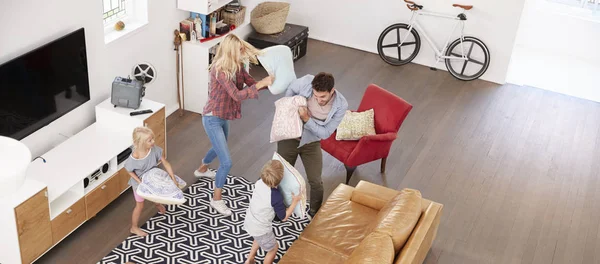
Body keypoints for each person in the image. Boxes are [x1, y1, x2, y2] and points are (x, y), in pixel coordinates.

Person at [193, 34, 274, 216]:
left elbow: (251, 83)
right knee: (226, 162)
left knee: (219, 146)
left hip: (224, 115)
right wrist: (261, 84)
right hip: (212, 117)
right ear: (231, 51)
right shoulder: (219, 70)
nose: (243, 52)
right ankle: (216, 199)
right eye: (240, 49)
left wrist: (270, 84)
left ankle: (202, 169)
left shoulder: (237, 66)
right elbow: (237, 95)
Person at [277, 72, 348, 217]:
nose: (319, 100)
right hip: (289, 137)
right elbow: (291, 88)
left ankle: (314, 212)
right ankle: (275, 205)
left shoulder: (341, 105)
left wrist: (306, 119)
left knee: (316, 181)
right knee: (279, 174)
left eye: (323, 97)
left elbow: (325, 133)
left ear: (332, 91)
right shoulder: (306, 82)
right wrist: (290, 106)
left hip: (311, 142)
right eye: (316, 96)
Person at [243, 160, 302, 264]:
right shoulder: (275, 196)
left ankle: (249, 259)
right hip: (262, 228)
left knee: (257, 238)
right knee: (273, 249)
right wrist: (295, 202)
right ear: (280, 179)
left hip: (250, 220)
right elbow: (283, 217)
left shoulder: (259, 181)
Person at [124, 127, 178, 237]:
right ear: (141, 143)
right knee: (140, 205)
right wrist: (139, 181)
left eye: (152, 139)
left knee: (156, 193)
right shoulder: (135, 157)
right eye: (150, 140)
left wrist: (173, 177)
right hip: (140, 184)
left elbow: (165, 163)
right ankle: (134, 227)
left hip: (153, 178)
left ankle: (157, 204)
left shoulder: (154, 149)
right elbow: (128, 170)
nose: (153, 141)